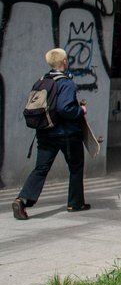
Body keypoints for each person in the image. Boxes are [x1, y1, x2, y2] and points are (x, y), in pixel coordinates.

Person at [13, 48, 90, 219]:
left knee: (41, 168)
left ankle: (22, 200)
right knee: (76, 167)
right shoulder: (66, 83)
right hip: (67, 134)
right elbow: (65, 109)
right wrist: (81, 111)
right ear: (64, 62)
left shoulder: (41, 81)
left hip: (44, 132)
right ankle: (75, 203)